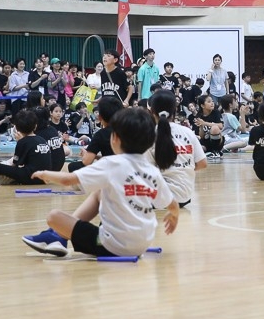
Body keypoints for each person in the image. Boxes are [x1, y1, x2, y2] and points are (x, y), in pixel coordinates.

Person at [22, 108, 180, 258]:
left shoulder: (111, 163)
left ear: (115, 138)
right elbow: (173, 205)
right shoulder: (152, 170)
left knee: (54, 217)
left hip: (111, 246)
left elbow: (67, 180)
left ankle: (57, 235)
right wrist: (174, 217)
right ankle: (59, 236)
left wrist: (44, 174)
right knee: (99, 193)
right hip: (142, 244)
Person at [148, 91, 207, 206]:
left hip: (158, 198)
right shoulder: (188, 133)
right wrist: (183, 169)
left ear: (152, 112)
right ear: (175, 110)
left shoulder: (148, 134)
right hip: (184, 197)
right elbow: (202, 163)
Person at [0, 109, 51, 186]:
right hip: (45, 178)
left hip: (31, 177)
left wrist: (5, 171)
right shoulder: (42, 139)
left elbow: (16, 163)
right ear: (35, 126)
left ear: (17, 128)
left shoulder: (22, 142)